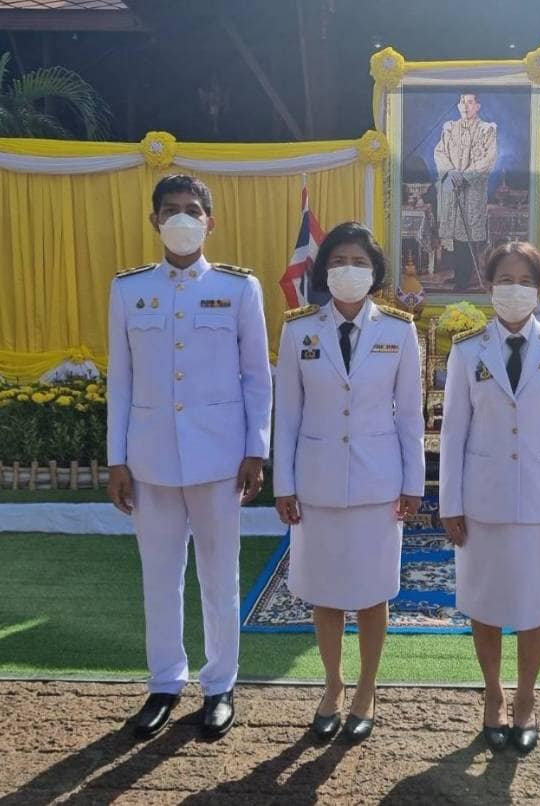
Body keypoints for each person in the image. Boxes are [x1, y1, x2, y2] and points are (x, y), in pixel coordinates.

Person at [106, 174, 272, 740]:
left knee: (220, 576)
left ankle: (220, 685)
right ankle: (164, 683)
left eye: (192, 209)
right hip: (150, 460)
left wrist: (255, 448)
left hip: (219, 459)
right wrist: (118, 459)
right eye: (171, 209)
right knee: (160, 577)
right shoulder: (129, 290)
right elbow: (121, 382)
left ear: (210, 221)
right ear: (154, 220)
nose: (182, 217)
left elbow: (257, 376)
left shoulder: (238, 288)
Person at [273, 222, 425, 743]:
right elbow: (287, 415)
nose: (348, 270)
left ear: (375, 271)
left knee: (373, 592)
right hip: (315, 482)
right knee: (325, 592)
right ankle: (333, 685)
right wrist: (283, 484)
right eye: (338, 261)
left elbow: (410, 416)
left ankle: (366, 688)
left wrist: (413, 483)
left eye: (359, 262)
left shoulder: (398, 330)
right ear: (324, 270)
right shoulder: (299, 330)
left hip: (377, 483)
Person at [439, 241, 540, 754]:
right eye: (505, 279)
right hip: (482, 500)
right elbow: (453, 432)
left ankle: (526, 697)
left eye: (526, 281)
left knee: (534, 604)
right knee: (484, 601)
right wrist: (450, 503)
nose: (515, 289)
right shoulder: (467, 349)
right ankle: (494, 694)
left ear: (539, 290)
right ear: (488, 286)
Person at [433, 92, 497, 291]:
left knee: (466, 234)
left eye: (469, 102)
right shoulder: (449, 127)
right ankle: (458, 274)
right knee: (453, 234)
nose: (465, 106)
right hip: (451, 187)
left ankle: (465, 278)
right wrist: (451, 171)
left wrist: (465, 176)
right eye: (462, 102)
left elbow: (489, 159)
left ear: (477, 106)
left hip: (472, 190)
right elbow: (439, 152)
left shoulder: (487, 129)